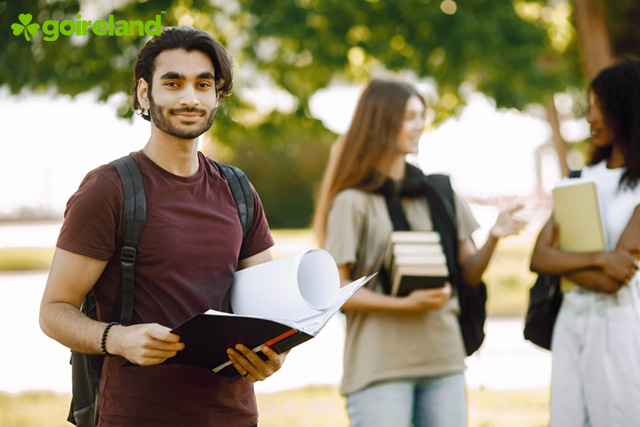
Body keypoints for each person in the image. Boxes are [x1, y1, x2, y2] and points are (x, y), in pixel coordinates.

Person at [39, 26, 287, 427]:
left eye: (203, 84)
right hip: (135, 416)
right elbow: (53, 311)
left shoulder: (238, 188)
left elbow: (269, 309)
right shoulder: (109, 189)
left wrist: (272, 354)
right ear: (144, 93)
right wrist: (117, 338)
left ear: (217, 96)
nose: (189, 97)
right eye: (173, 83)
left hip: (234, 416)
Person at [312, 78, 526, 427]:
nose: (420, 125)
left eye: (421, 115)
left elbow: (468, 273)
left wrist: (494, 237)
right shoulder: (352, 202)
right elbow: (338, 292)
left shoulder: (439, 192)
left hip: (444, 361)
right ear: (382, 121)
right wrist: (405, 305)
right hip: (380, 367)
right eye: (410, 116)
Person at [530, 57, 640, 427]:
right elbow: (539, 257)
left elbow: (613, 282)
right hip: (570, 322)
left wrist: (572, 261)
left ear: (625, 107)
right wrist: (601, 257)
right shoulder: (580, 177)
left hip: (620, 328)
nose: (590, 118)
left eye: (598, 106)